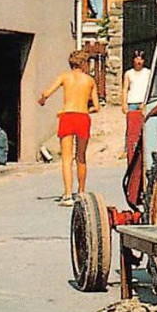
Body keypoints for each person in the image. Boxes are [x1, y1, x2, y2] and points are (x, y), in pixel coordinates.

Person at [38, 50, 100, 205]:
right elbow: (97, 107)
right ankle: (81, 192)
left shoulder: (64, 77)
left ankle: (67, 195)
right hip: (82, 117)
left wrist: (42, 100)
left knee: (66, 158)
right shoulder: (89, 80)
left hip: (67, 116)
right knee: (81, 157)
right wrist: (86, 109)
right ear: (83, 63)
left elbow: (46, 93)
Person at [122, 50, 152, 159]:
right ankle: (127, 149)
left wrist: (146, 102)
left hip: (143, 102)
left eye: (141, 59)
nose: (139, 61)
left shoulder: (148, 73)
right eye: (137, 58)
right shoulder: (129, 73)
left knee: (144, 125)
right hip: (132, 101)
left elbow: (151, 88)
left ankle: (144, 146)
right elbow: (125, 88)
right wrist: (124, 103)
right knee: (130, 127)